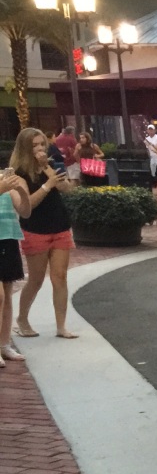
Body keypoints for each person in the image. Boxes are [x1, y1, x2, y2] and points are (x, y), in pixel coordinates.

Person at [12, 128, 76, 340]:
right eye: (34, 146)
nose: (40, 149)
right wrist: (47, 185)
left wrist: (49, 171)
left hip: (59, 225)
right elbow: (27, 204)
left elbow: (67, 189)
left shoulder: (51, 164)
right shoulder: (19, 173)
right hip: (35, 228)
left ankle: (61, 326)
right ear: (25, 149)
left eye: (42, 144)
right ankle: (22, 318)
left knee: (60, 277)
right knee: (36, 279)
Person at [0, 166, 33, 366]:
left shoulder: (4, 177)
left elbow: (25, 211)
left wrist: (21, 189)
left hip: (8, 239)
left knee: (7, 294)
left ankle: (4, 343)